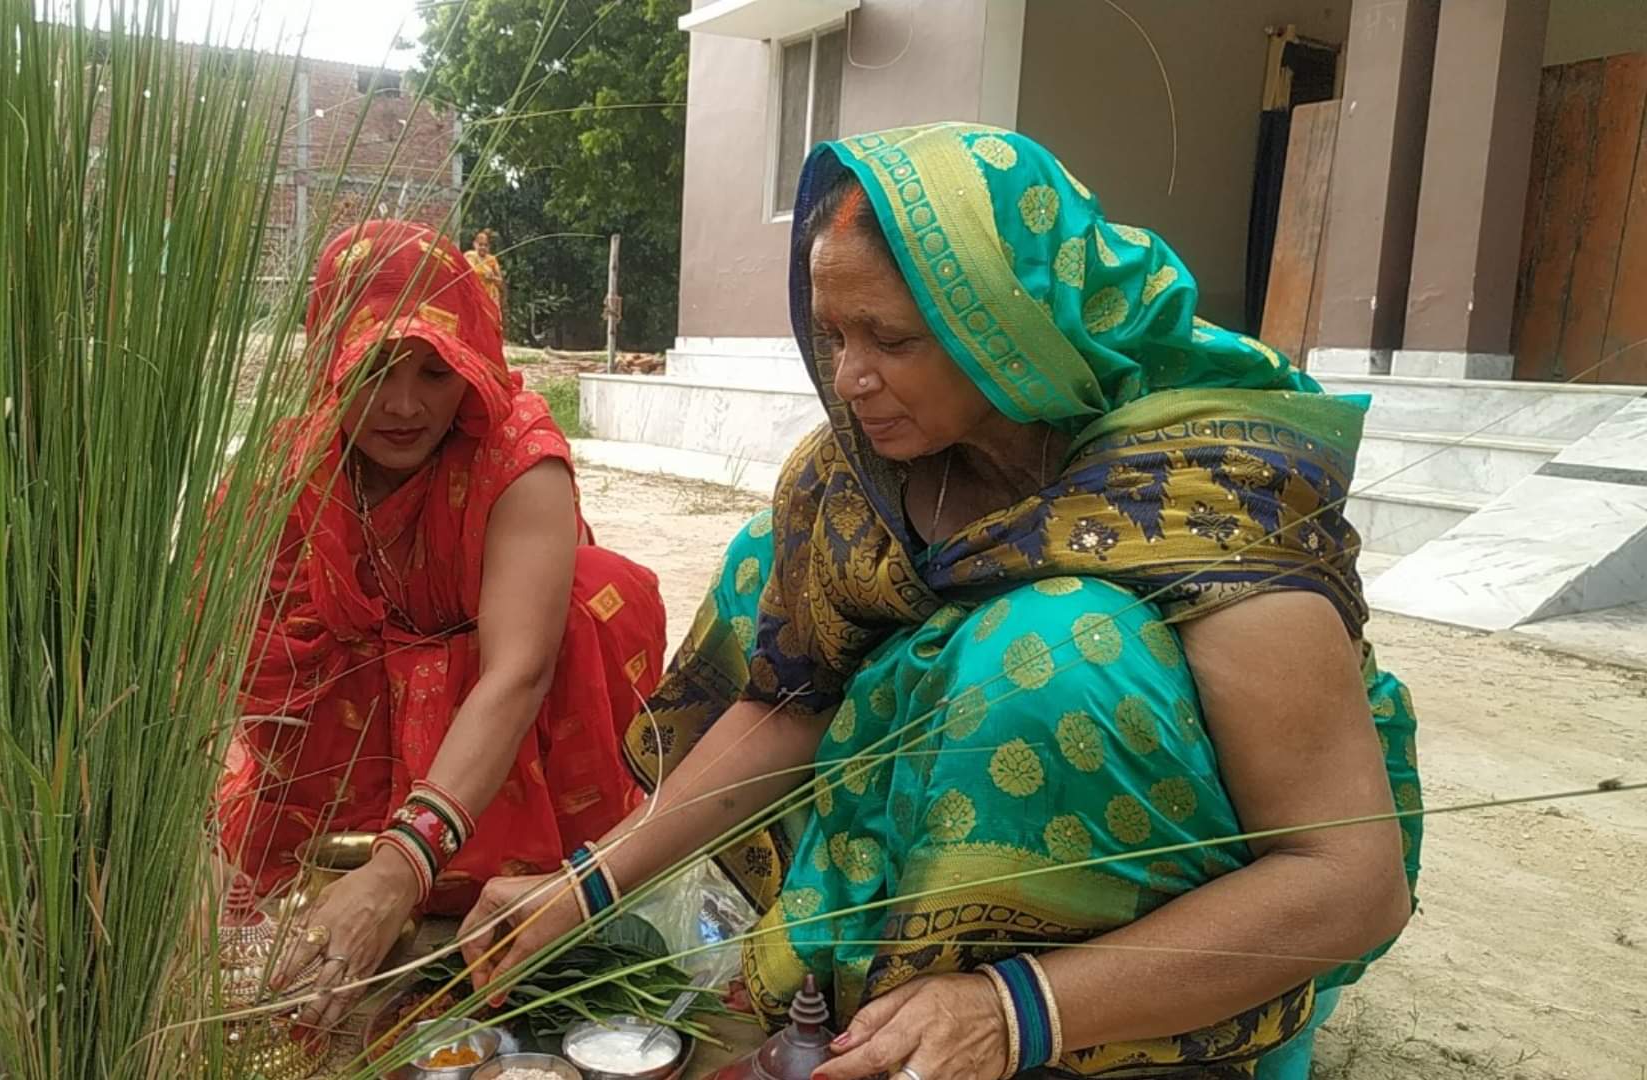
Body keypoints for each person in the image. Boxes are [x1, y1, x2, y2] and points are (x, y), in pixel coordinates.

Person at [460, 125, 1423, 1078]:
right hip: (976, 823)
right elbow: (791, 703)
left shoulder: (1203, 494)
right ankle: (878, 973)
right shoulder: (856, 475)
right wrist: (585, 889)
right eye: (835, 334)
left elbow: (1349, 883)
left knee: (1047, 649)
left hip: (1199, 904)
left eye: (892, 339)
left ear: (1013, 326)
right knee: (773, 559)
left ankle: (1079, 1022)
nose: (848, 378)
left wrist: (1016, 1011)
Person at [214, 220, 666, 1033]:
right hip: (348, 754)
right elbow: (219, 658)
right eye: (375, 368)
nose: (404, 404)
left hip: (506, 742)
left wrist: (398, 870)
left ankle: (493, 876)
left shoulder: (517, 457)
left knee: (585, 598)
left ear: (474, 367)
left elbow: (517, 672)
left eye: (436, 371)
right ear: (328, 363)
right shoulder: (288, 472)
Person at [467, 228, 507, 320]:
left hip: (490, 297)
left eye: (486, 245)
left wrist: (492, 278)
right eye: (480, 245)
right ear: (475, 244)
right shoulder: (470, 256)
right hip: (475, 296)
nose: (483, 247)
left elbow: (500, 282)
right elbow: (469, 272)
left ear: (489, 247)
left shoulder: (492, 260)